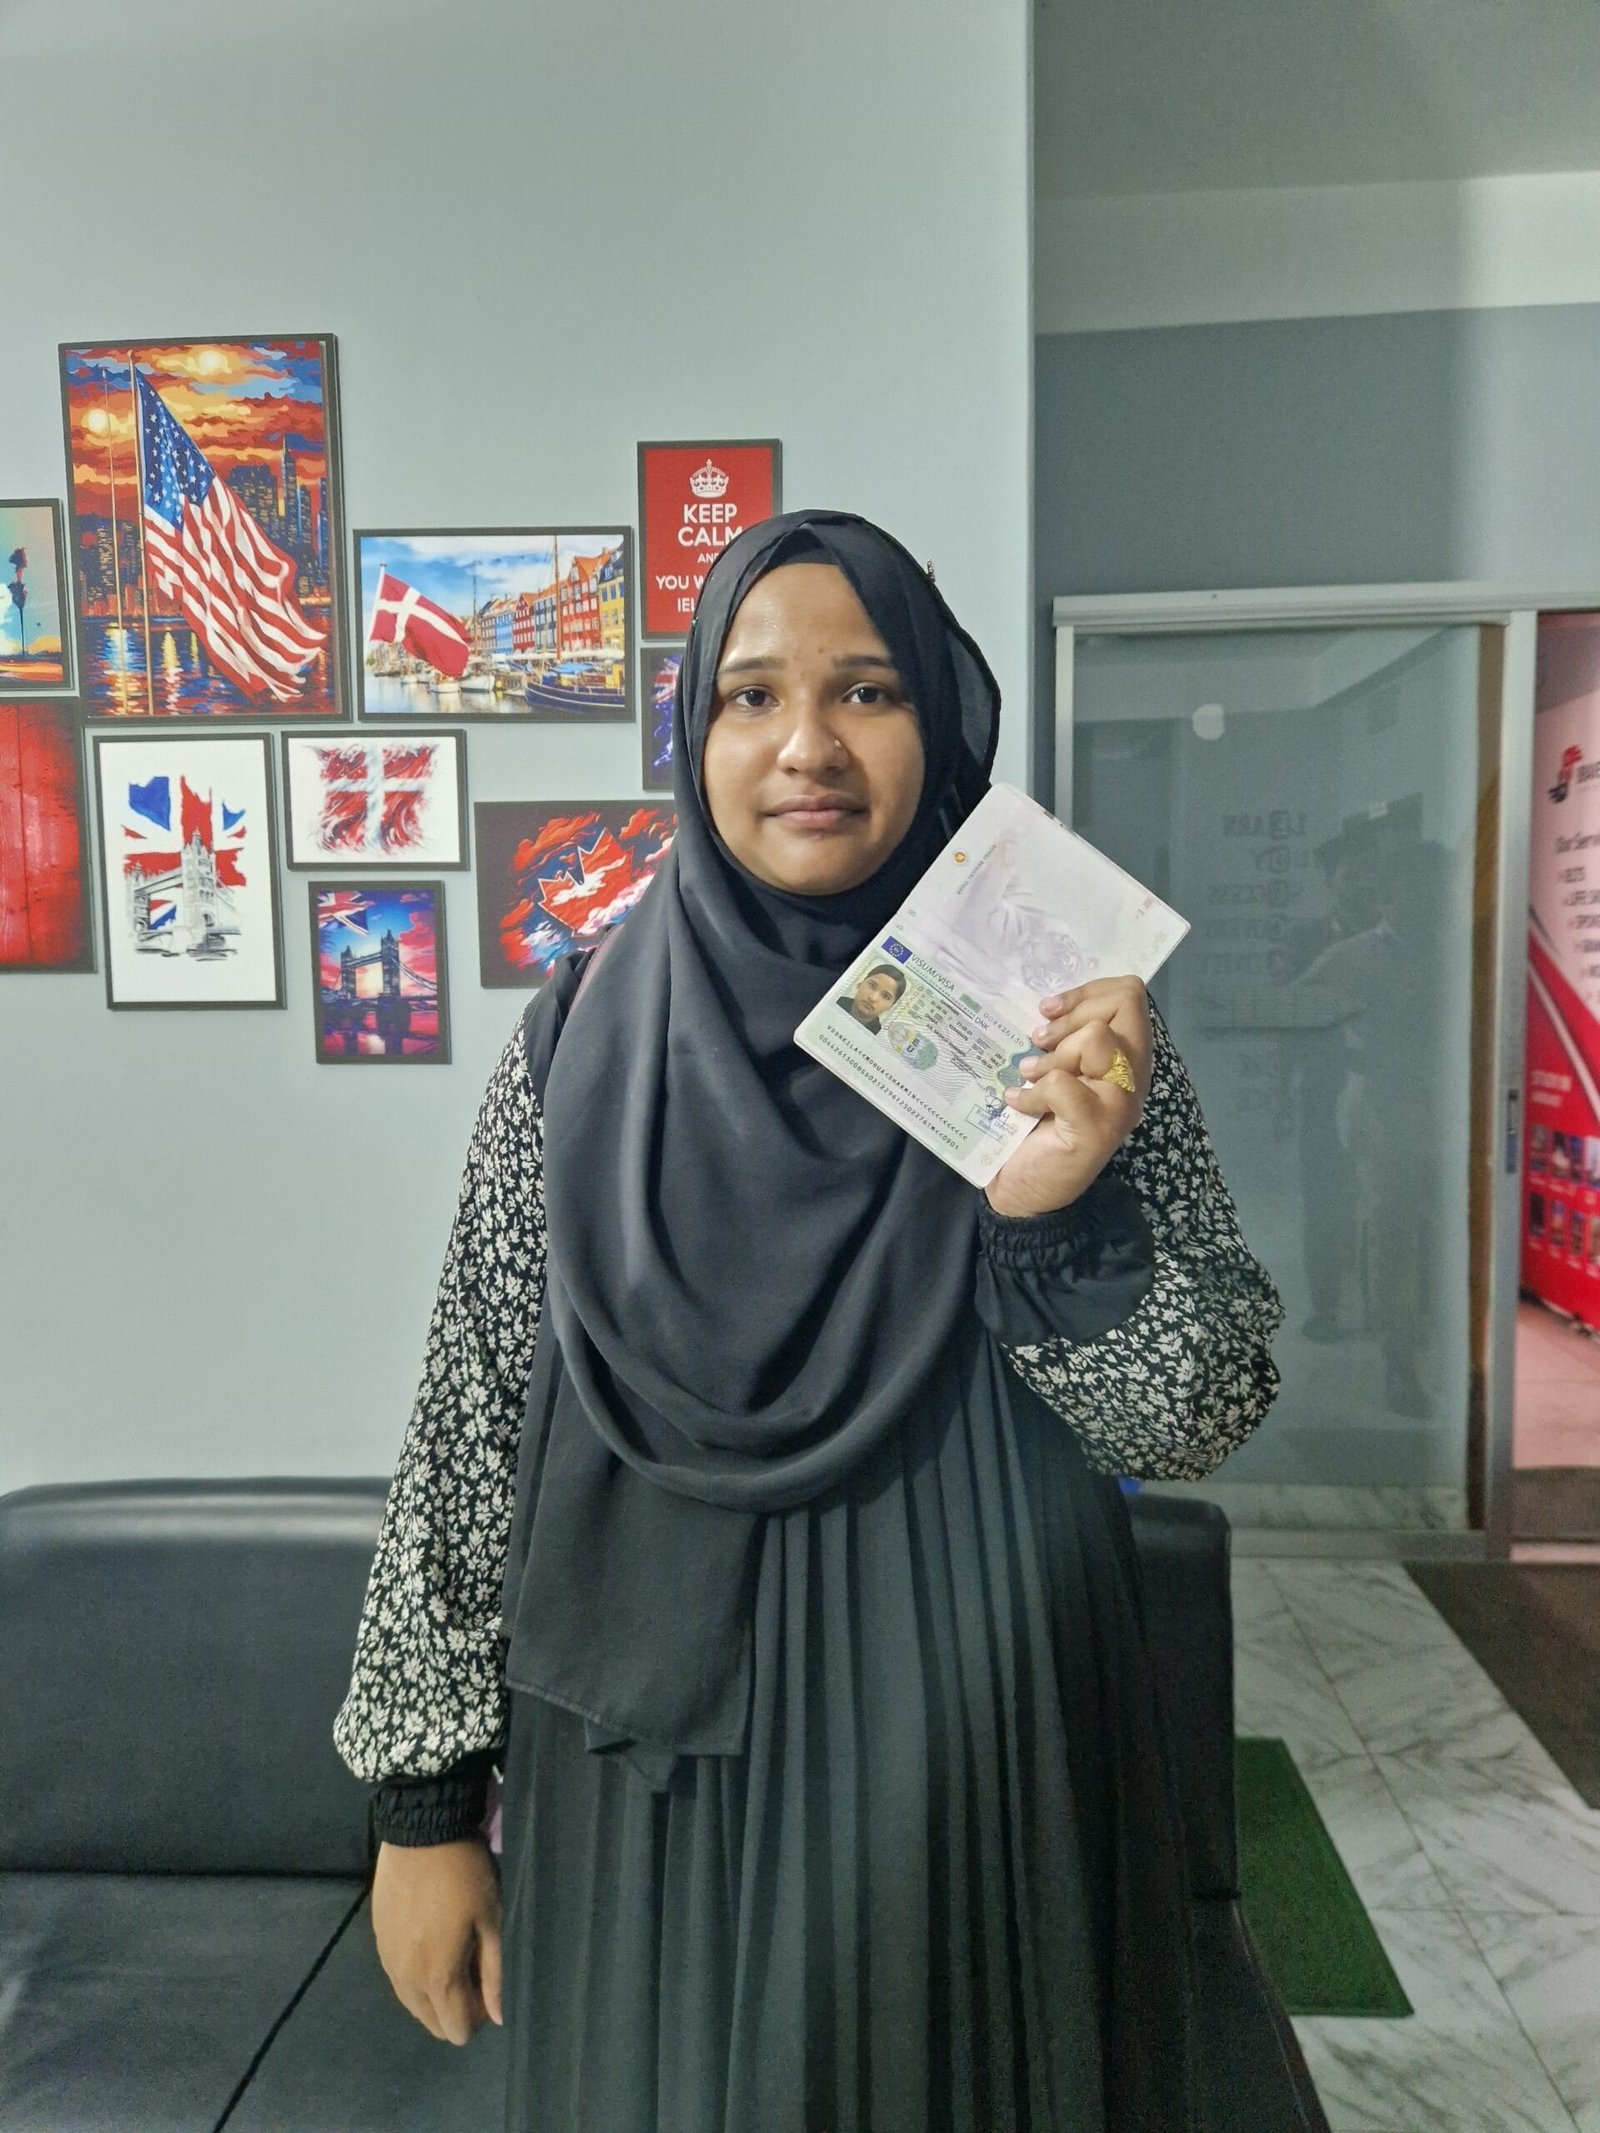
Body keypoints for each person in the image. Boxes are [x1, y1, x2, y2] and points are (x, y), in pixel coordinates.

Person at [334, 511, 1287, 2133]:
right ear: (692, 731)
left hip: (982, 1746)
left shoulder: (1063, 1020)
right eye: (753, 695)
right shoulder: (576, 1040)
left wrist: (1054, 1214)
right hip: (650, 1768)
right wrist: (422, 1807)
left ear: (941, 718)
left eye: (867, 689)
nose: (807, 746)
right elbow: (471, 1422)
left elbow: (1196, 1413)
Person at [835, 961, 906, 1031]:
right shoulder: (834, 1000)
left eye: (885, 996)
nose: (873, 998)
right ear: (861, 983)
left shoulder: (878, 1035)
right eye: (872, 985)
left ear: (891, 1006)